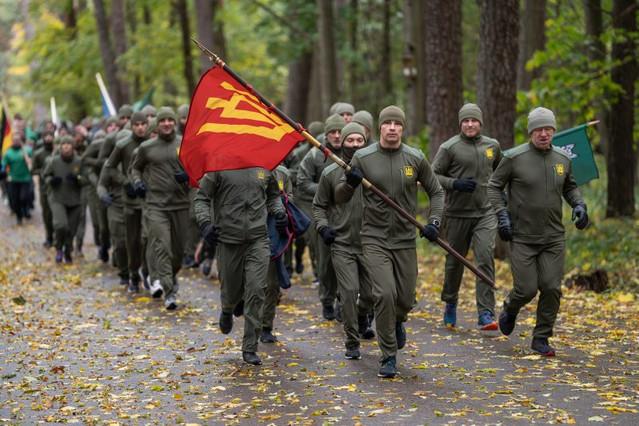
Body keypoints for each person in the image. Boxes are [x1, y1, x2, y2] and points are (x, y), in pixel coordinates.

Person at [335, 105, 445, 378]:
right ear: (380, 128)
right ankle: (388, 355)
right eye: (388, 123)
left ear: (403, 128)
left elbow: (437, 192)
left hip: (406, 239)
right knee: (384, 293)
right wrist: (350, 182)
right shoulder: (363, 157)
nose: (393, 128)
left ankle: (397, 320)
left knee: (405, 298)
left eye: (398, 124)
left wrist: (434, 222)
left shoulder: (415, 158)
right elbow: (339, 197)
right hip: (374, 238)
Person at [488, 107, 589, 357]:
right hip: (522, 236)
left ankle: (541, 337)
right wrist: (502, 215)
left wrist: (579, 205)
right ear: (531, 132)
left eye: (548, 129)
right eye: (538, 130)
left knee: (552, 288)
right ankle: (510, 308)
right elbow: (493, 186)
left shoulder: (562, 159)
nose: (544, 134)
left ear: (554, 131)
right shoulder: (513, 158)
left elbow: (570, 187)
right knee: (526, 289)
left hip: (553, 237)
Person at [194, 167, 286, 365]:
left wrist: (279, 212)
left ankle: (250, 347)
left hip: (258, 239)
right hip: (227, 239)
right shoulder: (217, 168)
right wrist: (205, 224)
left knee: (257, 290)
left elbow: (273, 196)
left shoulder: (265, 167)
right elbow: (201, 198)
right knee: (231, 289)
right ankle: (227, 308)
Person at [432, 103, 502, 330]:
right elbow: (432, 176)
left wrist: (503, 200)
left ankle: (486, 313)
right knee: (455, 262)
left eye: (474, 120)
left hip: (485, 212)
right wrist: (455, 184)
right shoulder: (449, 147)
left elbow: (503, 173)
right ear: (460, 123)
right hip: (457, 213)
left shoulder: (493, 146)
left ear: (480, 122)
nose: (470, 124)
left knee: (484, 257)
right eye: (465, 121)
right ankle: (450, 302)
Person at [313, 122, 375, 360]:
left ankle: (362, 316)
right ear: (343, 143)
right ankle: (351, 341)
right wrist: (323, 227)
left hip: (372, 243)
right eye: (351, 141)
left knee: (371, 294)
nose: (355, 145)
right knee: (349, 292)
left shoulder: (375, 171)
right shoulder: (330, 173)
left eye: (360, 140)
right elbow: (318, 206)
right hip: (342, 244)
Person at [131, 107, 190, 310]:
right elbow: (136, 168)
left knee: (178, 253)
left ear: (174, 123)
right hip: (156, 206)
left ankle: (170, 276)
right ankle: (169, 292)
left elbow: (199, 168)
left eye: (170, 120)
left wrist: (189, 175)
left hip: (181, 205)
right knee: (163, 247)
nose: (166, 123)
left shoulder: (185, 143)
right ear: (157, 123)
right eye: (162, 120)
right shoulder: (147, 147)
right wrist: (137, 182)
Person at [298, 114, 345, 320]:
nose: (336, 136)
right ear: (326, 134)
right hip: (323, 216)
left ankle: (344, 302)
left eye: (339, 132)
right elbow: (302, 181)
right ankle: (327, 299)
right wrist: (326, 190)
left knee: (346, 262)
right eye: (332, 132)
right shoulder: (315, 155)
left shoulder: (352, 151)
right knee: (325, 264)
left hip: (348, 216)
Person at [103, 112, 149, 293]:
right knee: (132, 241)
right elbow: (109, 167)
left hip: (149, 199)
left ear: (147, 125)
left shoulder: (151, 144)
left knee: (147, 239)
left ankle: (147, 272)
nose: (140, 127)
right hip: (129, 200)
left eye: (143, 124)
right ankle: (132, 274)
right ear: (131, 125)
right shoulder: (123, 145)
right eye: (136, 124)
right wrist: (125, 181)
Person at [42, 136, 87, 263]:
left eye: (69, 144)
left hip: (75, 200)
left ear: (73, 146)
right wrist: (51, 180)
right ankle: (58, 248)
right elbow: (45, 175)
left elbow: (86, 178)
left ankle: (68, 250)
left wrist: (77, 179)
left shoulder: (79, 161)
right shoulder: (54, 161)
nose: (66, 146)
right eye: (64, 144)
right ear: (60, 147)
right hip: (58, 198)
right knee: (61, 225)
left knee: (71, 230)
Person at [1, 133, 33, 225]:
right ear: (12, 141)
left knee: (23, 198)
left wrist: (28, 159)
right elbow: (4, 165)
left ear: (20, 141)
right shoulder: (8, 152)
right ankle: (19, 217)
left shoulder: (26, 151)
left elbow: (33, 162)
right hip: (13, 180)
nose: (16, 141)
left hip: (25, 179)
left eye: (18, 140)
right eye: (14, 140)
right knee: (15, 201)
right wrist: (3, 171)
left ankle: (25, 210)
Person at [31, 131, 56, 245]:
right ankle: (49, 236)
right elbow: (33, 170)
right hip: (44, 188)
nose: (49, 138)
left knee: (57, 213)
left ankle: (58, 237)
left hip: (57, 188)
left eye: (50, 135)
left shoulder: (57, 152)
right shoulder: (38, 154)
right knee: (47, 213)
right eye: (46, 135)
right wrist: (42, 172)